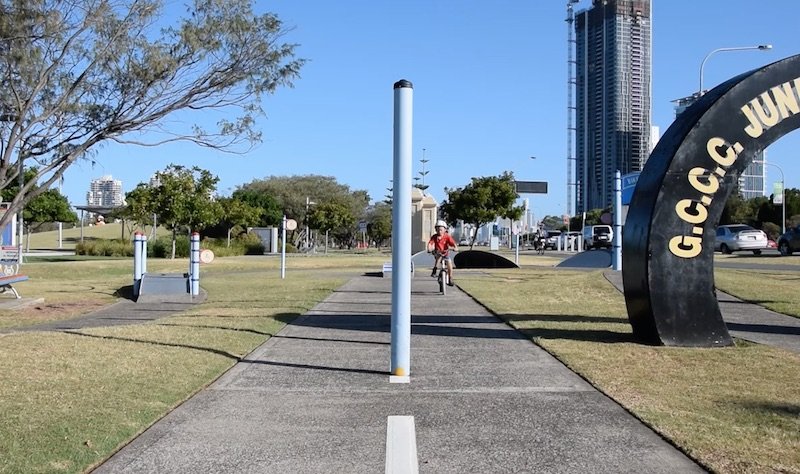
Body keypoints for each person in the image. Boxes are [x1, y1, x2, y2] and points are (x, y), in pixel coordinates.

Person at [427, 220, 458, 286]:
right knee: (439, 256)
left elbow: (454, 244)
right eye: (437, 230)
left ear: (445, 230)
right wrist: (429, 249)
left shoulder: (447, 237)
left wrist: (455, 248)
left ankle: (450, 278)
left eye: (441, 230)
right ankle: (434, 270)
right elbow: (430, 243)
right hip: (437, 253)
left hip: (445, 254)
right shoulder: (434, 237)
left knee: (449, 263)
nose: (439, 231)